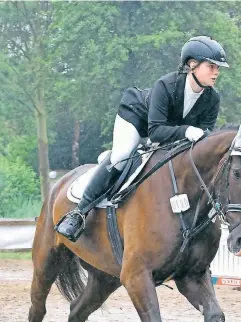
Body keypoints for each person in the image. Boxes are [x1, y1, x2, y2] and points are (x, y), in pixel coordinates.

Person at [55, 36, 229, 242]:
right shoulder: (166, 85)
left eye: (218, 67)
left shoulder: (212, 98)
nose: (216, 72)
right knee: (121, 157)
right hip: (137, 120)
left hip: (170, 134)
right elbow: (155, 132)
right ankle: (79, 213)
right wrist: (186, 131)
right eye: (211, 66)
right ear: (192, 65)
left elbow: (200, 142)